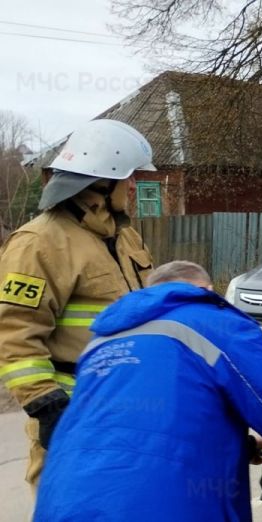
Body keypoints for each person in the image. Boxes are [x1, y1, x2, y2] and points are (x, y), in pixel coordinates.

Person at [33, 261, 262, 522]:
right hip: (159, 505)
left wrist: (240, 447)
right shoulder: (215, 321)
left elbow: (122, 428)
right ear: (207, 290)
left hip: (60, 500)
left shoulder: (101, 341)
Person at [0, 119, 156, 490]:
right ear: (102, 182)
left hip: (129, 407)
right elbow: (14, 336)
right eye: (129, 177)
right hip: (74, 412)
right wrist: (48, 406)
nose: (134, 186)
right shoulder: (38, 243)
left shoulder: (125, 237)